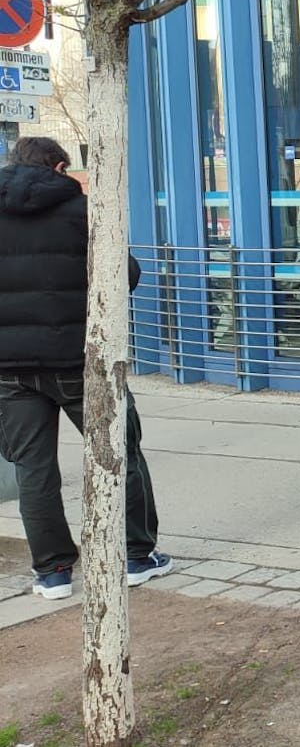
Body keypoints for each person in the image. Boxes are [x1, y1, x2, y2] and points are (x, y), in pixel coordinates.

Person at [0, 136, 174, 600]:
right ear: (60, 168)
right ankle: (136, 557)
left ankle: (53, 571)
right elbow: (126, 276)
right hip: (82, 362)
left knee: (33, 470)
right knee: (120, 452)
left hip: (9, 368)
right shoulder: (85, 214)